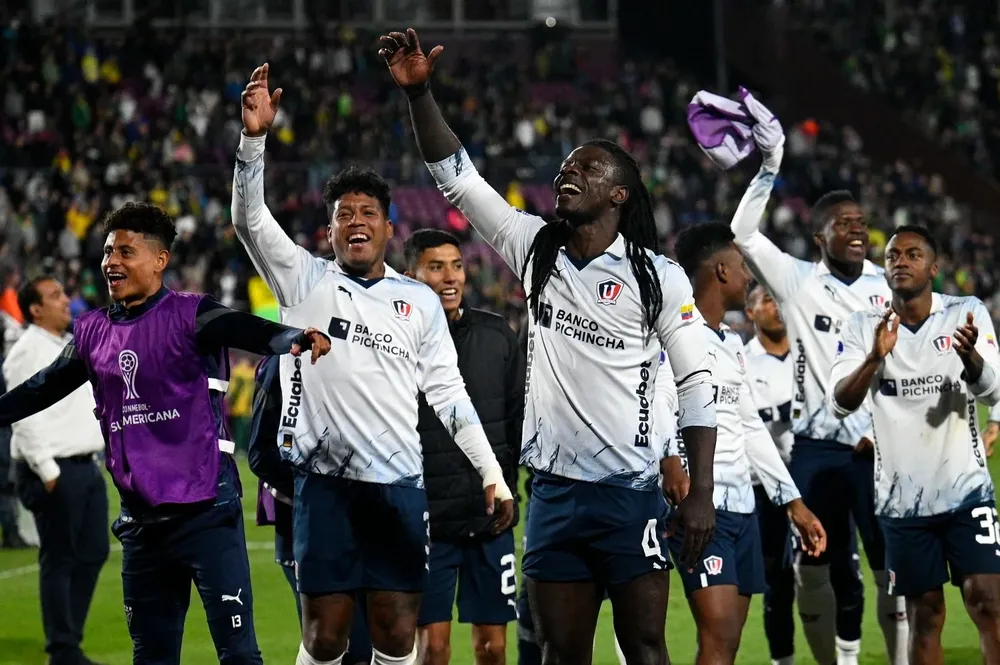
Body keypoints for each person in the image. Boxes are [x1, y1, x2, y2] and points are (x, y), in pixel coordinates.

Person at [380, 29, 719, 665]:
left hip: (630, 492)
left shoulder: (657, 276)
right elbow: (458, 182)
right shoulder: (537, 251)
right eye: (565, 165)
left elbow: (698, 383)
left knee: (646, 649)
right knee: (563, 655)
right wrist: (420, 93)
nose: (568, 172)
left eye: (587, 168)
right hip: (555, 496)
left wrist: (699, 488)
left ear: (619, 193)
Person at [233, 64, 514, 665]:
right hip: (325, 486)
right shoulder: (302, 279)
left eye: (367, 212)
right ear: (329, 228)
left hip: (397, 486)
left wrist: (491, 472)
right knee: (325, 636)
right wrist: (253, 142)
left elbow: (449, 393)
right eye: (343, 213)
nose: (355, 220)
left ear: (389, 227)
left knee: (394, 633)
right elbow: (249, 221)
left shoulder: (416, 301)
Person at [0, 202, 332, 665]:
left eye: (126, 251)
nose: (111, 261)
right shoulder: (93, 331)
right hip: (141, 525)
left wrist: (290, 338)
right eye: (109, 251)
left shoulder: (191, 314)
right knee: (152, 658)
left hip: (206, 514)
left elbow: (243, 327)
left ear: (159, 261)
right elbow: (42, 388)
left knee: (239, 656)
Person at [726, 95, 907, 665]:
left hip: (879, 450)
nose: (857, 229)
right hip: (815, 447)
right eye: (842, 223)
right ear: (819, 234)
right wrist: (771, 162)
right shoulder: (798, 281)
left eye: (861, 221)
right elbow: (742, 231)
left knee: (889, 568)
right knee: (812, 565)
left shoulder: (890, 284)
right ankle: (830, 659)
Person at [829, 225, 1000, 665]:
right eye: (892, 256)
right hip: (902, 504)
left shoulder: (966, 312)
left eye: (912, 255)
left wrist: (972, 359)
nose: (900, 261)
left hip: (966, 492)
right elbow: (841, 402)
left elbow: (992, 391)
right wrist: (873, 357)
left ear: (934, 267)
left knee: (988, 602)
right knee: (926, 615)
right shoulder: (864, 325)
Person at [666, 222, 826, 665]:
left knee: (728, 642)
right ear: (720, 271)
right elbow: (654, 407)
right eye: (742, 267)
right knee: (717, 636)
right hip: (701, 509)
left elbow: (749, 425)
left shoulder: (733, 343)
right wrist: (670, 466)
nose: (749, 277)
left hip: (743, 510)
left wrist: (792, 501)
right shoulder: (674, 336)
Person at [400, 229, 524, 665]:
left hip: (489, 519)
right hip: (429, 523)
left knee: (492, 648)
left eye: (456, 265)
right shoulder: (398, 345)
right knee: (431, 651)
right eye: (436, 267)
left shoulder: (498, 335)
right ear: (410, 275)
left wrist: (508, 486)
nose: (450, 277)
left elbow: (516, 421)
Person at [4, 276, 108, 665]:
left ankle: (68, 642)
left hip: (84, 465)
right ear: (35, 310)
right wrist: (47, 470)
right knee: (60, 558)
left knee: (94, 551)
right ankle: (62, 650)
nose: (67, 301)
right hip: (53, 470)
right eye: (55, 296)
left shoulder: (62, 344)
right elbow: (21, 415)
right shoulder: (28, 350)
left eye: (64, 293)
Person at [249, 355, 374, 665]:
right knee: (329, 641)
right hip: (301, 524)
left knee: (362, 648)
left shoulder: (364, 357)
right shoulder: (278, 366)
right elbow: (260, 453)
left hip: (362, 524)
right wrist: (315, 489)